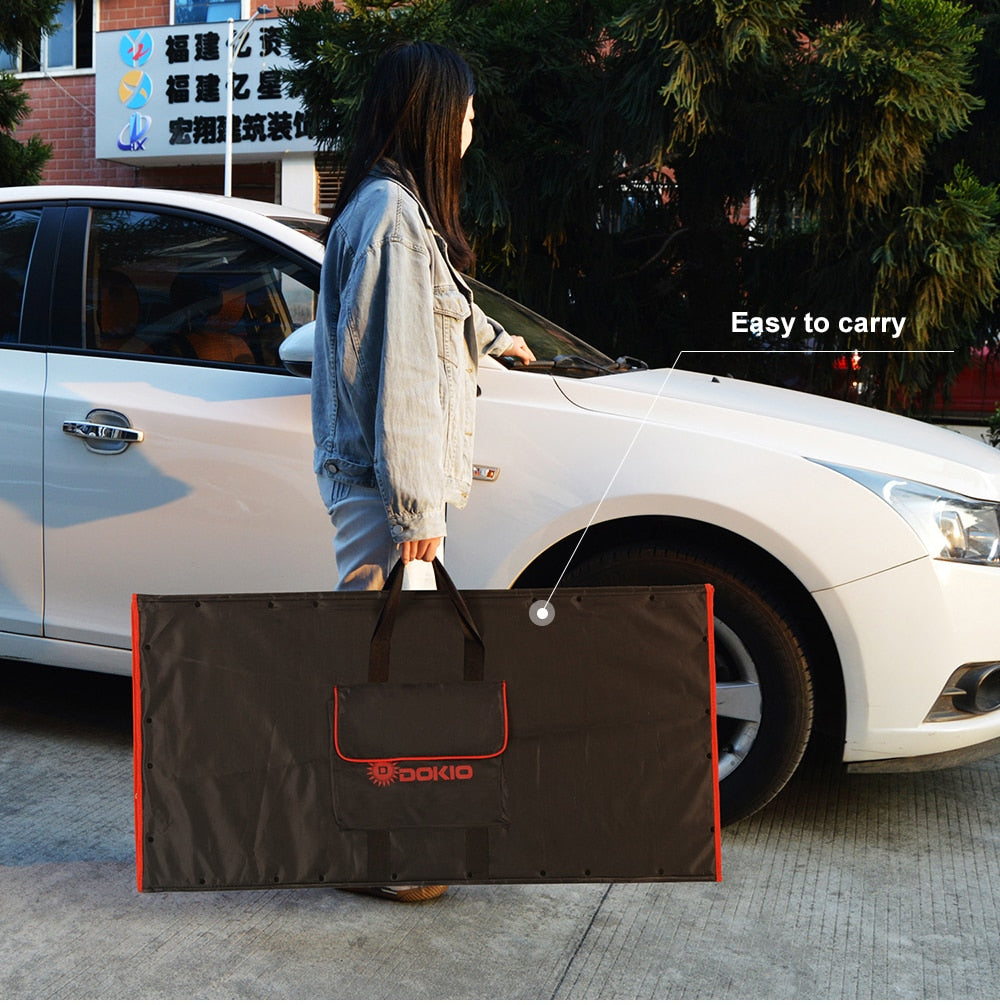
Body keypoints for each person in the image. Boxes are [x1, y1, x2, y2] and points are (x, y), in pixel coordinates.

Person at [310, 41, 534, 901]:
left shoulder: (390, 209)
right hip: (389, 492)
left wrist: (493, 337)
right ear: (435, 117)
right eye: (468, 111)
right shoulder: (394, 217)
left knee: (388, 666)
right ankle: (374, 852)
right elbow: (400, 372)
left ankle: (378, 841)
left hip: (383, 487)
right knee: (386, 674)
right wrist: (417, 515)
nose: (474, 126)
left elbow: (422, 321)